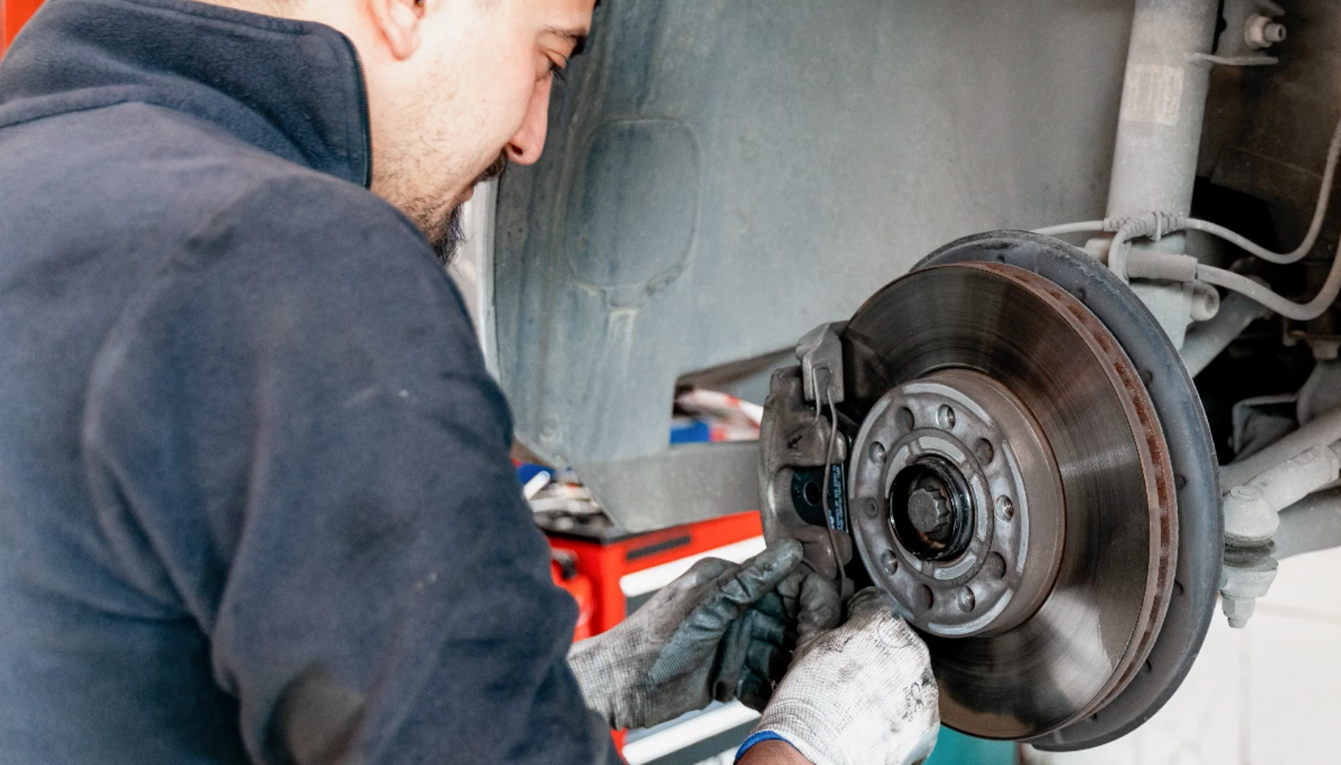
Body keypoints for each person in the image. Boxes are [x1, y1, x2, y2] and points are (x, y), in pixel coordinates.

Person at [0, 0, 940, 763]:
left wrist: (557, 689)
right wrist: (807, 748)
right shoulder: (298, 262)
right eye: (548, 57)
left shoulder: (45, 179)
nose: (531, 137)